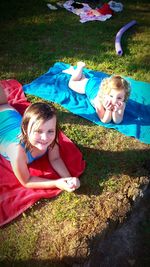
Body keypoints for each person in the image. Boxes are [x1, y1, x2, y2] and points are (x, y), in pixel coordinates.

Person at [0, 86, 80, 192]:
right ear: (25, 129)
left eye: (50, 131)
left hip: (8, 111)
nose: (45, 138)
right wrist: (56, 183)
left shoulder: (52, 138)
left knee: (3, 103)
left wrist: (68, 179)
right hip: (6, 114)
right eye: (38, 131)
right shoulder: (17, 151)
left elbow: (55, 159)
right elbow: (27, 181)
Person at [63, 62, 131, 124]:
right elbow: (104, 120)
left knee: (82, 78)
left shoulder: (122, 104)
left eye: (119, 98)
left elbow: (118, 121)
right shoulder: (99, 100)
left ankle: (81, 75)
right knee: (72, 83)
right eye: (111, 96)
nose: (114, 100)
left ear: (125, 97)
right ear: (106, 93)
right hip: (90, 85)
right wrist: (108, 110)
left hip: (98, 83)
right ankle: (79, 67)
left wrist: (115, 112)